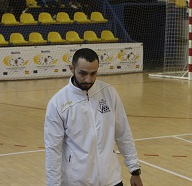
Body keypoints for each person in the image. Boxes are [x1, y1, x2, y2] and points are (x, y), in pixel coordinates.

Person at [44, 48, 143, 186]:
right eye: (82, 73)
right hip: (76, 182)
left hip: (112, 179)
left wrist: (134, 170)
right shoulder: (57, 103)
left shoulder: (109, 93)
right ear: (72, 68)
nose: (88, 79)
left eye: (93, 73)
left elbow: (123, 133)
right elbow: (53, 150)